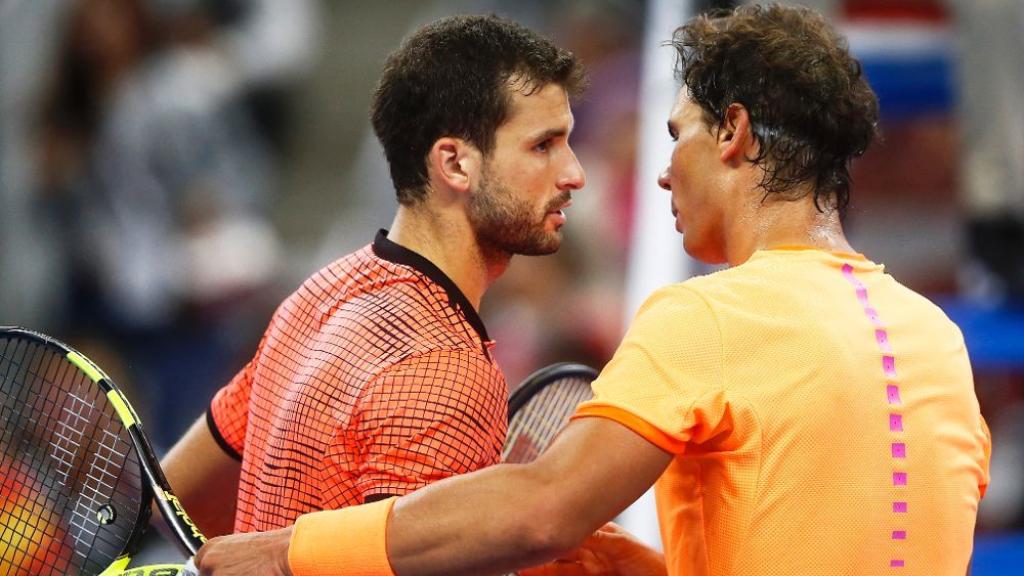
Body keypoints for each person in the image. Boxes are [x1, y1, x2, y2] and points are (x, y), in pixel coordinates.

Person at [190, 5, 991, 575]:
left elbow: (541, 508)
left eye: (677, 136)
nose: (660, 169)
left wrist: (289, 550)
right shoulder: (938, 340)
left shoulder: (705, 318)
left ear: (735, 135)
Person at [158, 14, 586, 537]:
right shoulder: (447, 371)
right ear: (454, 164)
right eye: (543, 146)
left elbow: (176, 495)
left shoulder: (318, 294)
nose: (574, 173)